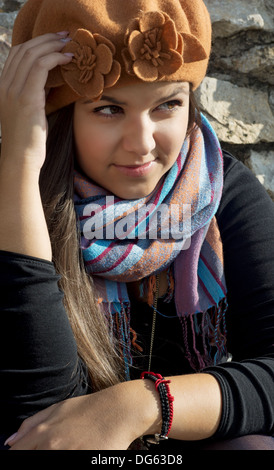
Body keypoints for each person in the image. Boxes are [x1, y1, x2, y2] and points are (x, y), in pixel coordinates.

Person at [0, 0, 273, 451]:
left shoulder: (216, 185)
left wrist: (143, 406)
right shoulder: (15, 199)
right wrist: (20, 166)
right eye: (108, 109)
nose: (142, 144)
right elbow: (43, 424)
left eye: (167, 105)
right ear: (59, 117)